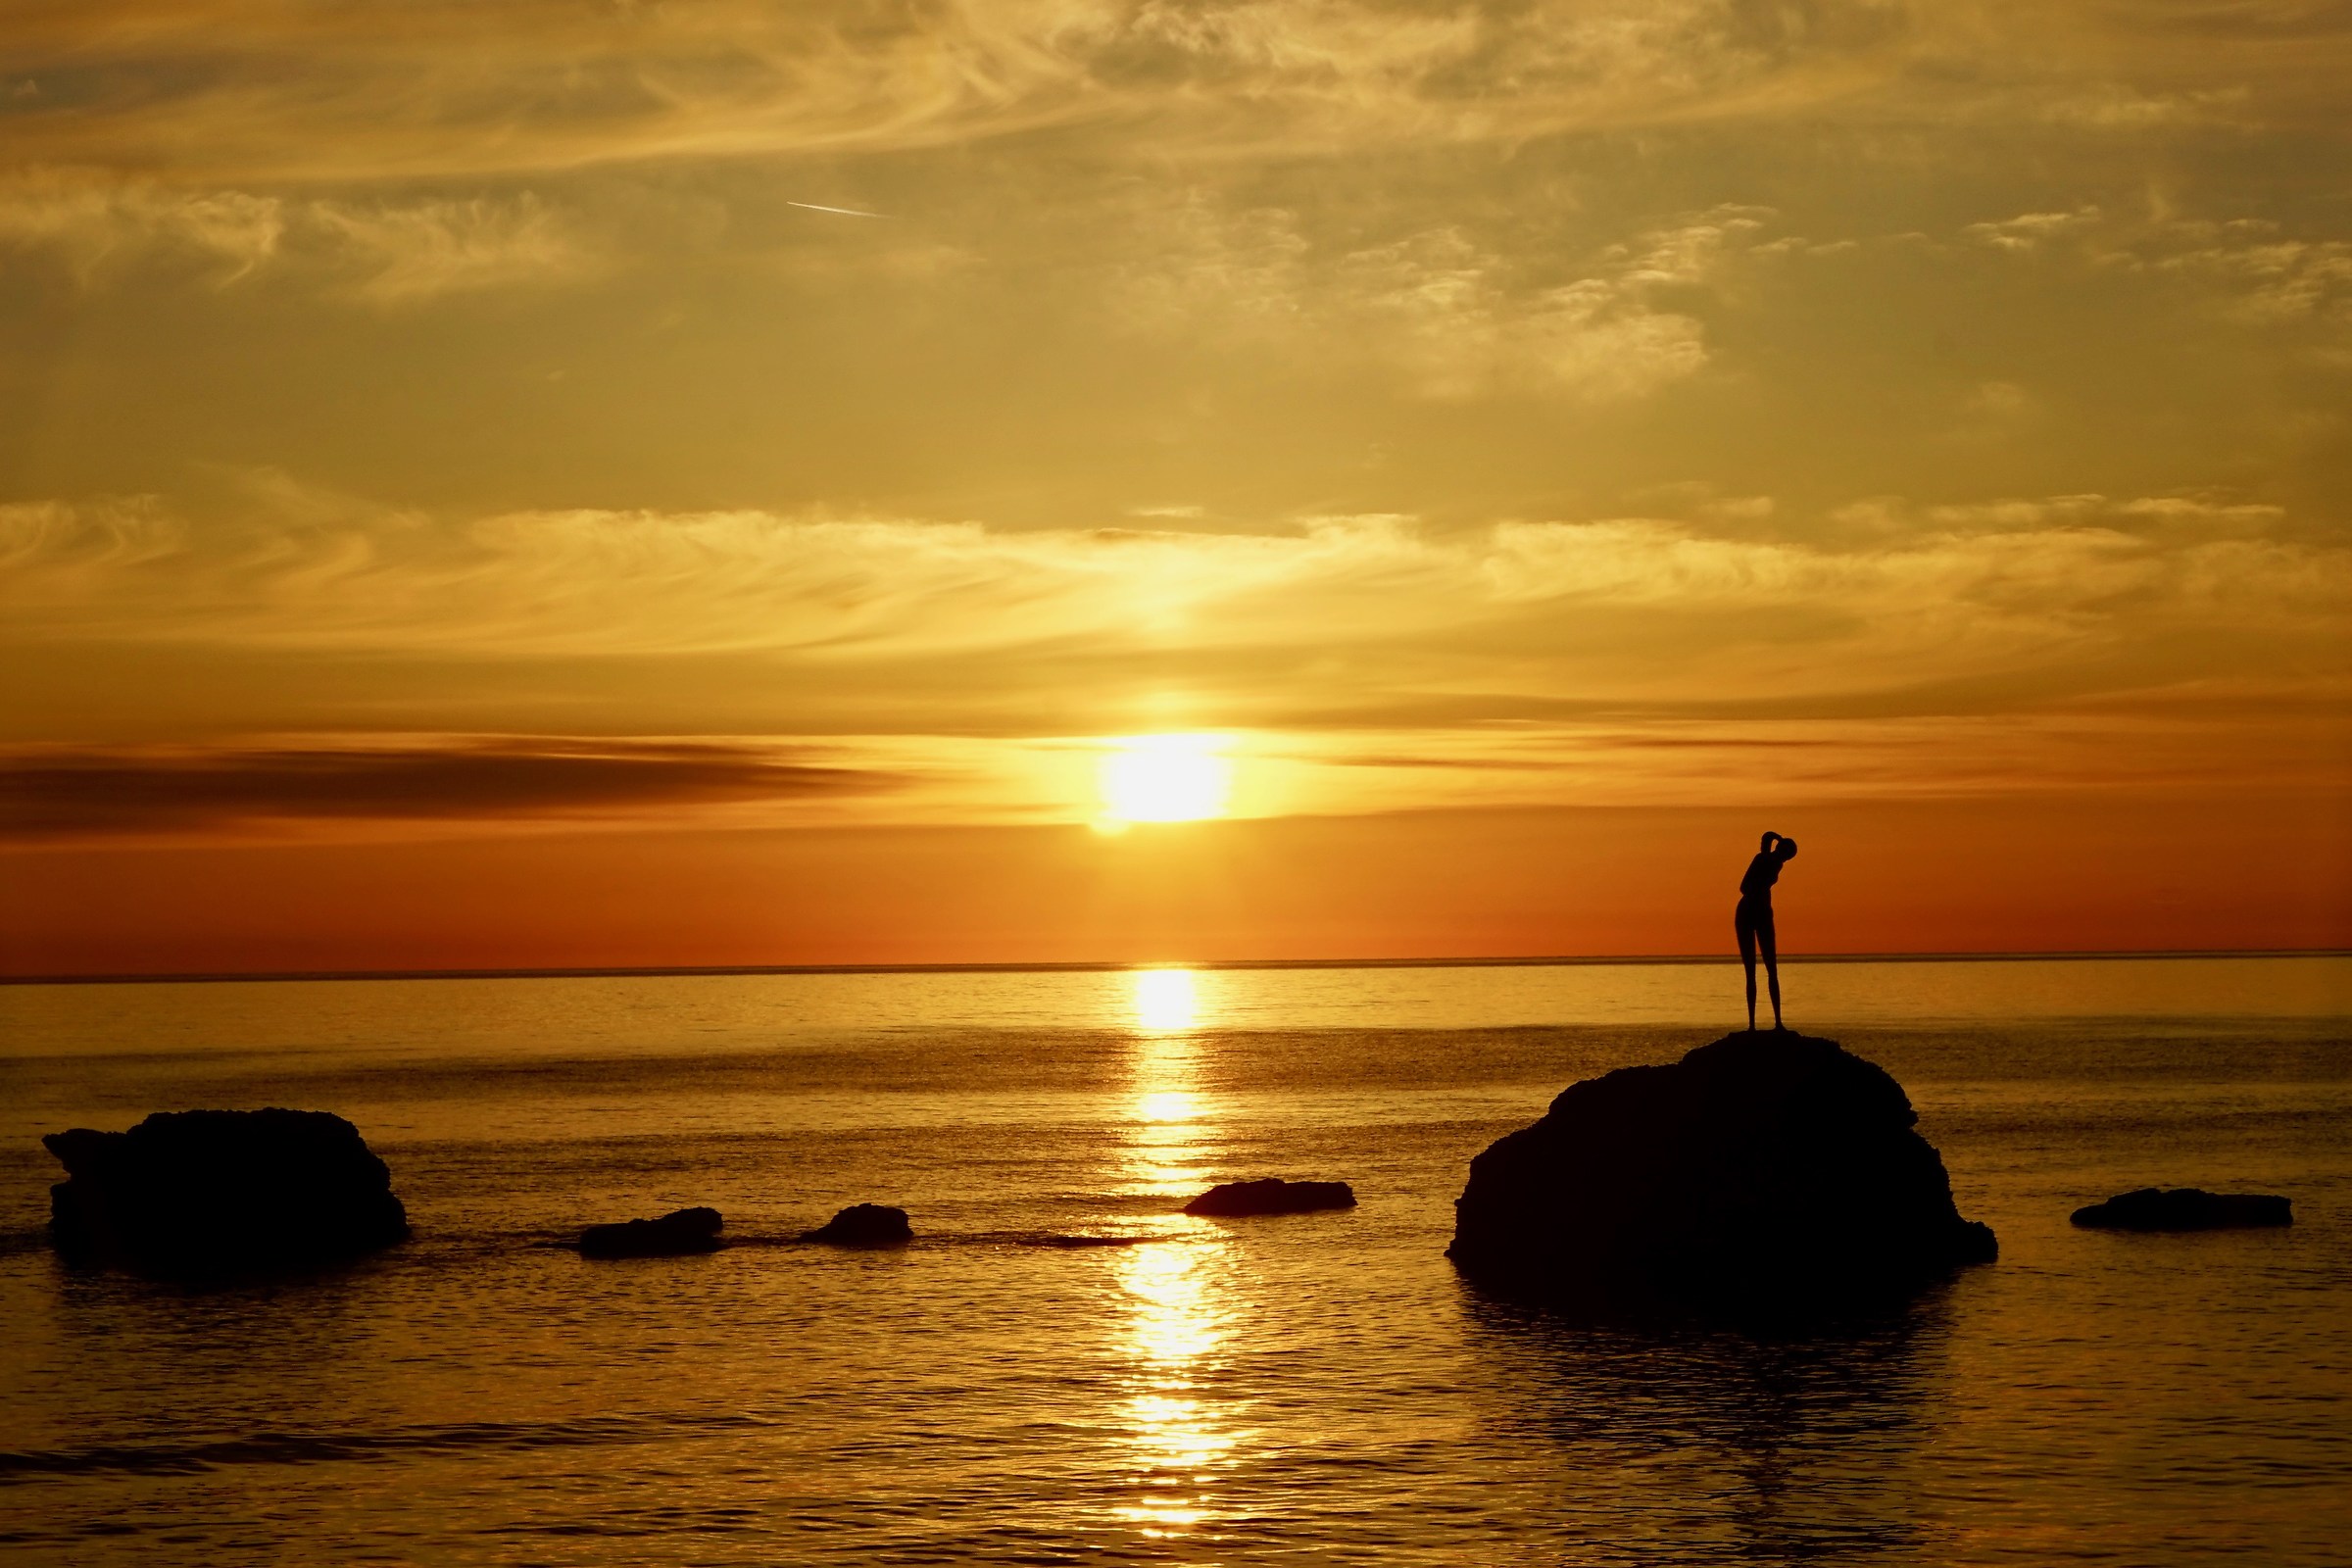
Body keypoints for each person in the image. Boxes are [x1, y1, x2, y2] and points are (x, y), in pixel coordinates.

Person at [1736, 831, 1798, 1032]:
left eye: (1788, 858)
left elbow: (1767, 839)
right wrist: (1779, 838)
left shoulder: (1776, 863)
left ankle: (1778, 1022)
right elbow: (1744, 887)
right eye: (1786, 855)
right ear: (1781, 851)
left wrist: (1778, 840)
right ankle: (1752, 1025)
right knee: (1750, 971)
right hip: (1747, 912)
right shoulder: (1764, 859)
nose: (1785, 860)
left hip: (1763, 912)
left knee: (1772, 968)